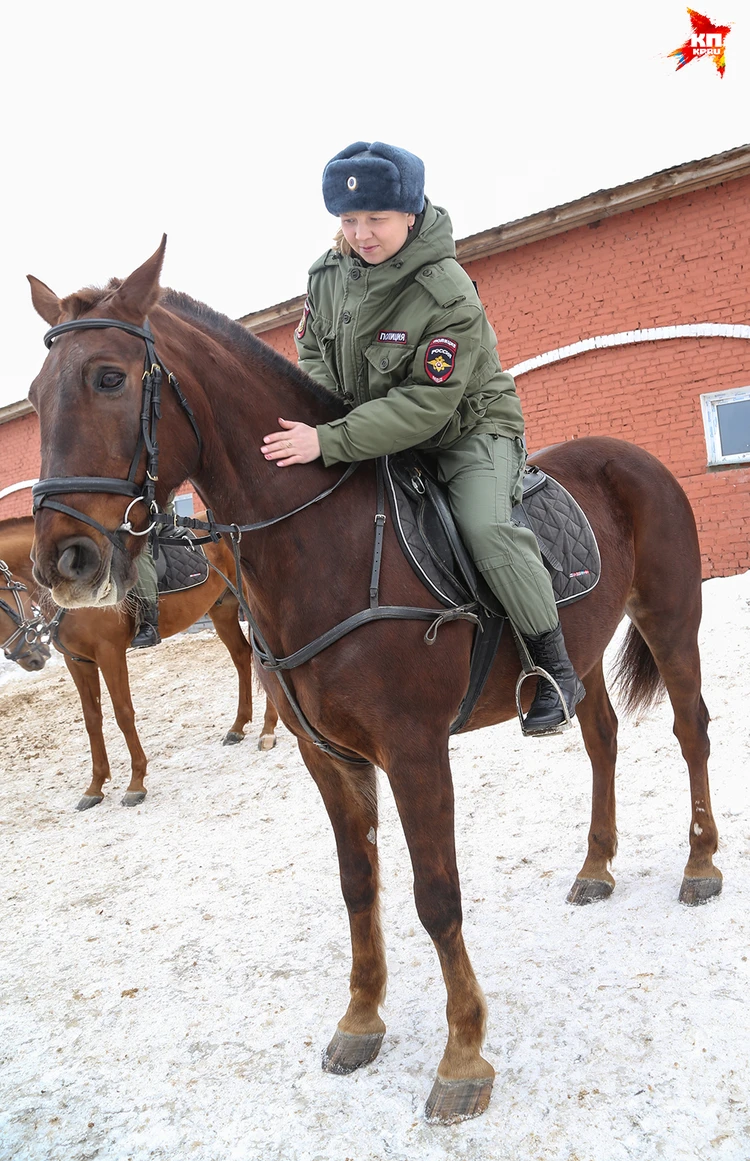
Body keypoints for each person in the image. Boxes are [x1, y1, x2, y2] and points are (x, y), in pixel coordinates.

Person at [262, 141, 584, 735]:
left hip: (467, 429)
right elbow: (312, 348)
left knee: (487, 529)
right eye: (349, 219)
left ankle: (553, 665)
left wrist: (330, 440)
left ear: (410, 214)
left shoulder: (447, 292)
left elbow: (428, 406)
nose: (361, 233)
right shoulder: (327, 276)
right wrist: (336, 414)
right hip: (368, 427)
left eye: (375, 219)